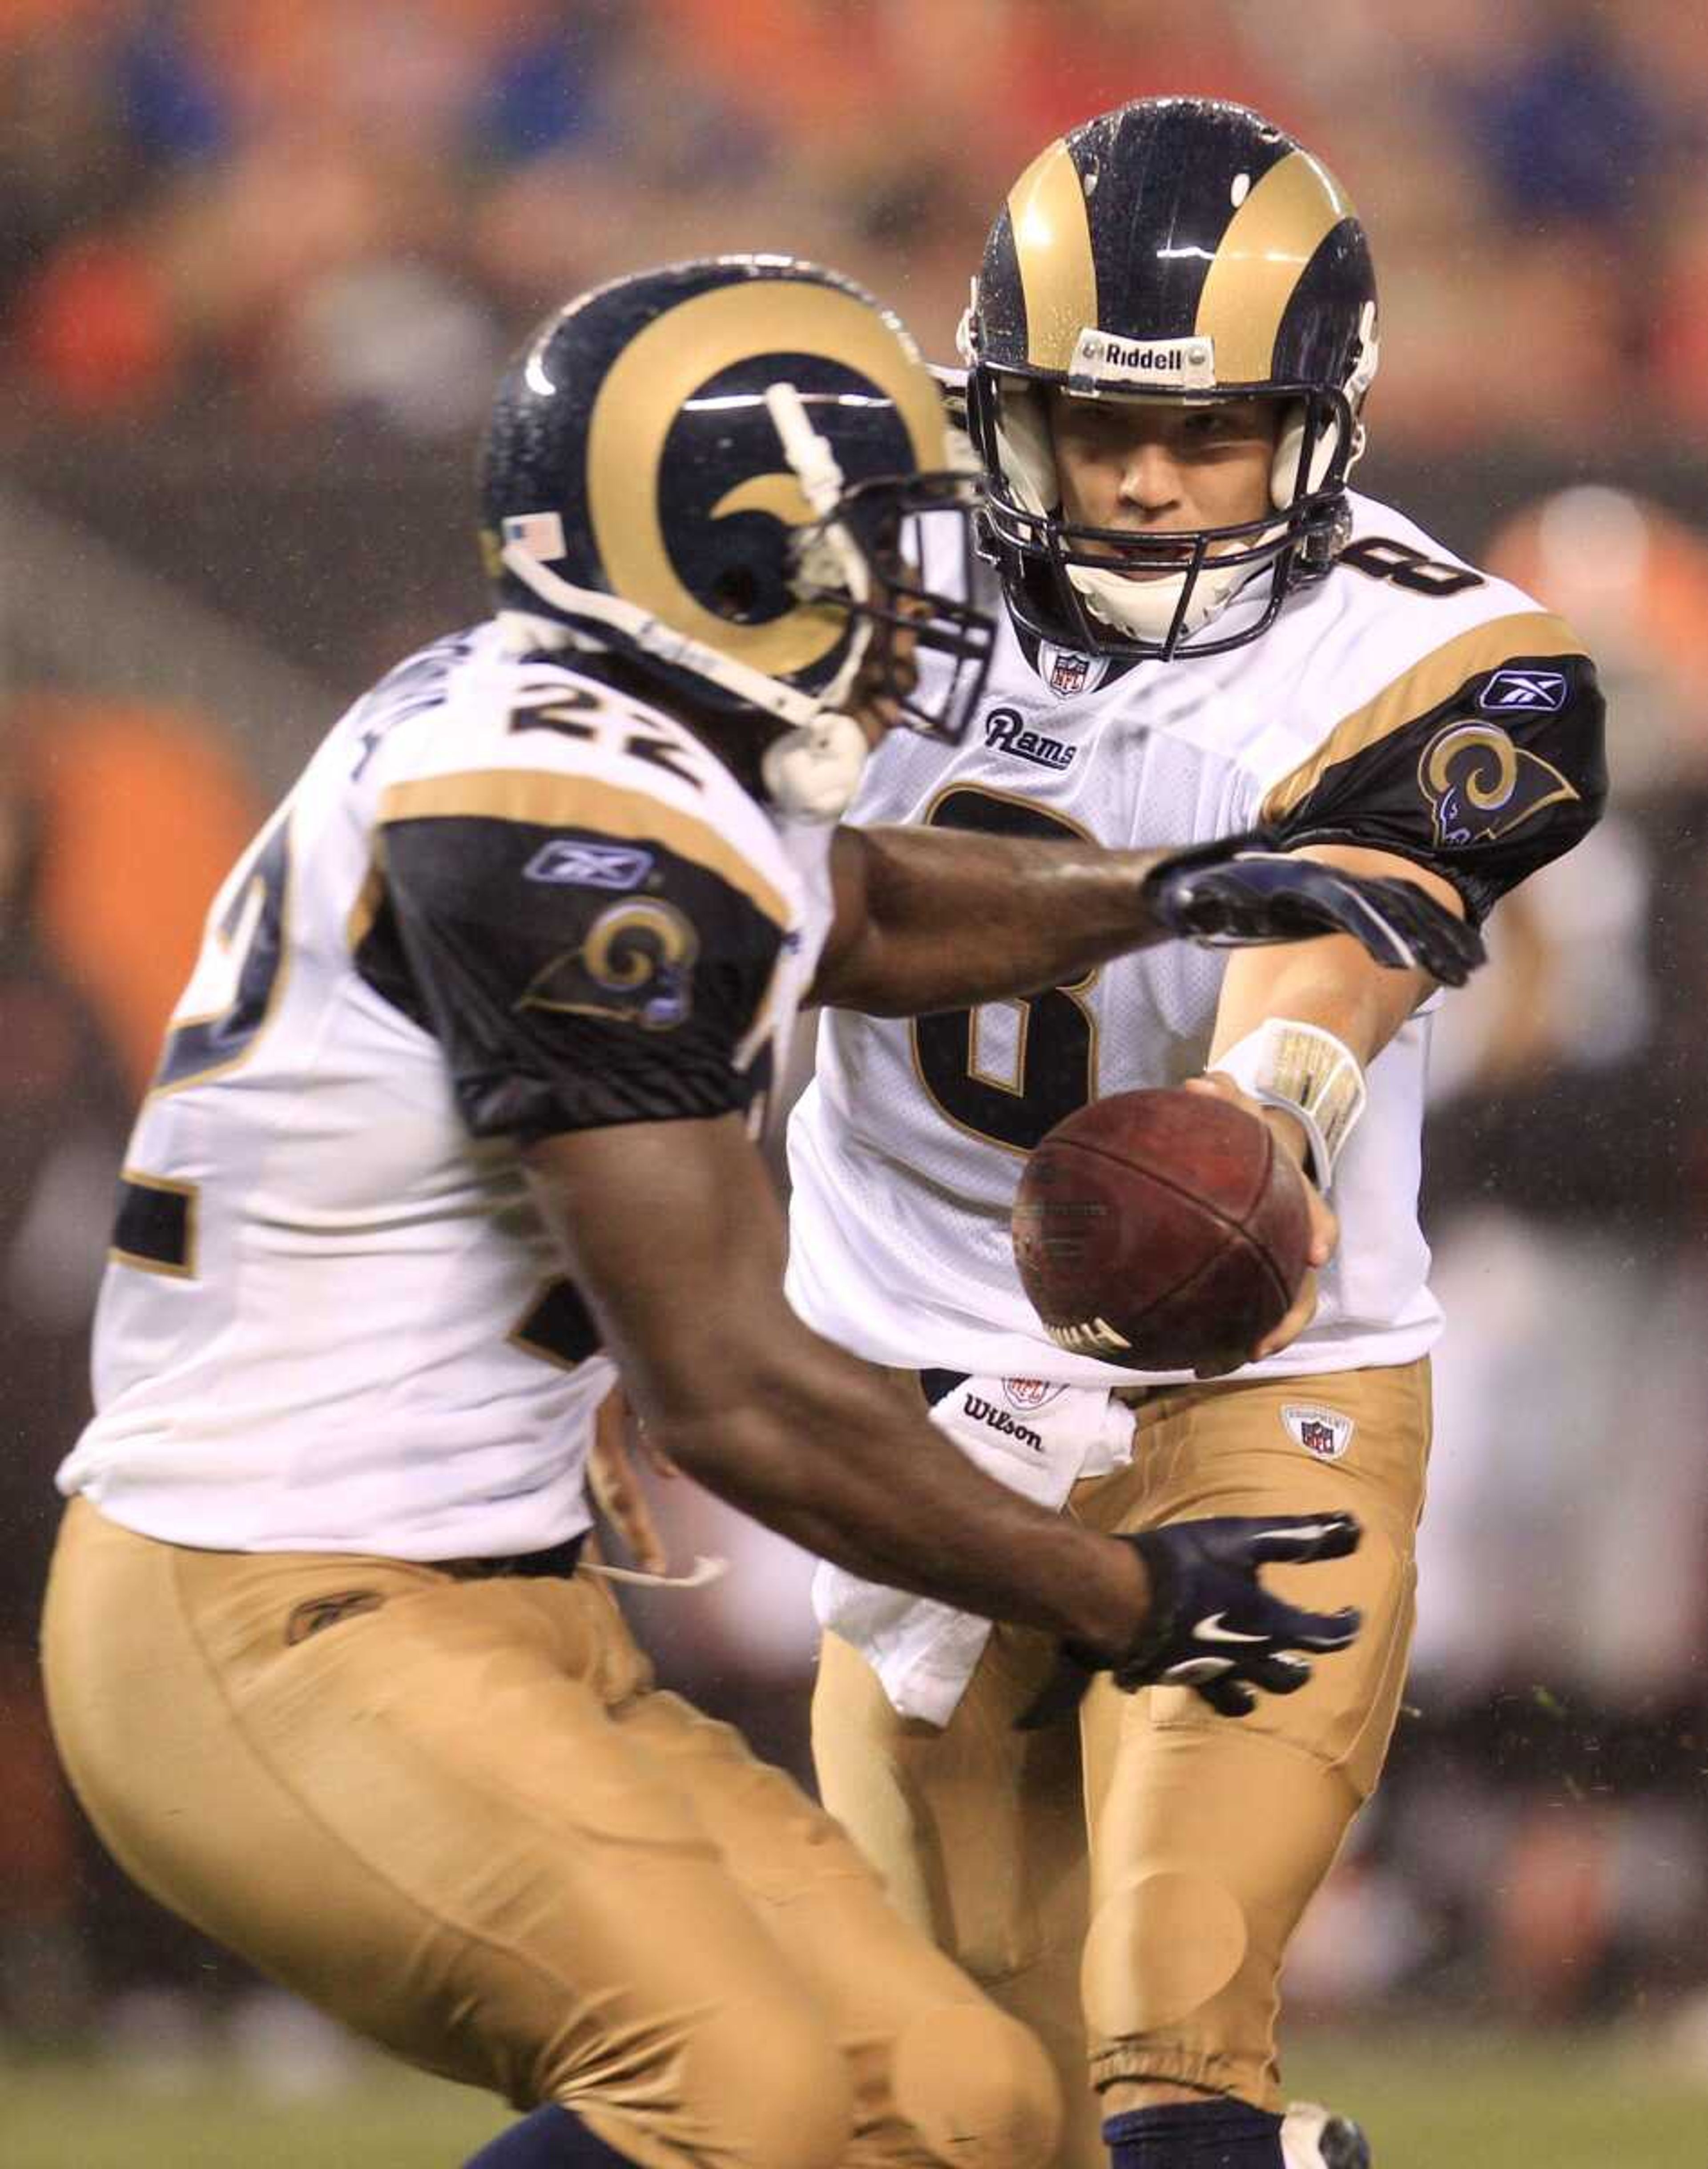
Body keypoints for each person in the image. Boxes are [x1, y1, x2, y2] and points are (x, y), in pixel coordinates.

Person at [40, 254, 1478, 2169]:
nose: (915, 600)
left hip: (497, 1608)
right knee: (741, 2098)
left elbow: (862, 907)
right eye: (873, 547)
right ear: (727, 557)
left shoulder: (623, 744)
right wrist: (1124, 1592)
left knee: (967, 2108)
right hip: (266, 1607)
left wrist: (1183, 890)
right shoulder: (550, 833)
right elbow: (730, 1389)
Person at [784, 101, 1608, 2169]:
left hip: (1261, 1382)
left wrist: (1251, 1124)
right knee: (954, 2105)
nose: (1149, 477)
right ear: (1000, 410)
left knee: (1169, 2027)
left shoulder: (1444, 660)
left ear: (1319, 427)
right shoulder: (850, 591)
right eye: (1089, 422)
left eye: (1217, 430)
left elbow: (1336, 944)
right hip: (914, 1397)